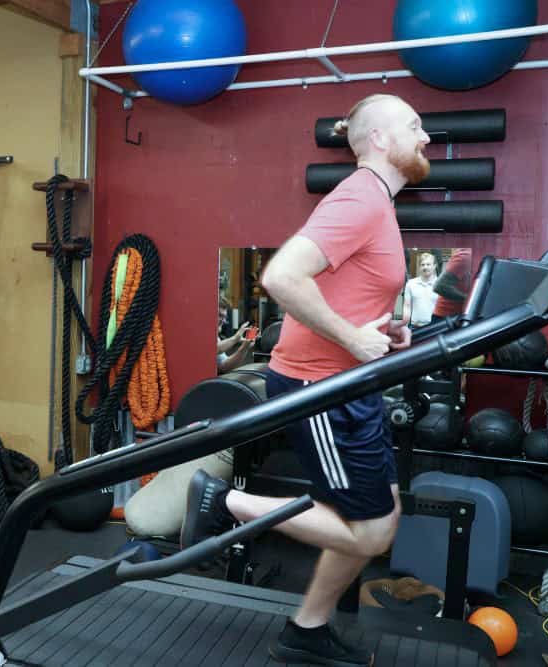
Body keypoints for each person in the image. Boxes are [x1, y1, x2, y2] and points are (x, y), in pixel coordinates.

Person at [181, 93, 430, 666]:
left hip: (350, 384)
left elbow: (344, 291)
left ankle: (307, 628)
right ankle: (227, 501)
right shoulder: (362, 197)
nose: (427, 138)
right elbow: (281, 276)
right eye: (414, 127)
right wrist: (350, 338)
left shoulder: (378, 203)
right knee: (371, 533)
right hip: (319, 387)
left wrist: (377, 334)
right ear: (380, 141)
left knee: (377, 517)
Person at [430, 248, 472, 323]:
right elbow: (439, 287)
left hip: (463, 315)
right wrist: (469, 299)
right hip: (445, 318)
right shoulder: (465, 256)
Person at [217, 295, 256, 372]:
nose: (223, 321)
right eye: (219, 315)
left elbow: (224, 366)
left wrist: (245, 346)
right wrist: (236, 338)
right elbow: (210, 350)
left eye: (224, 317)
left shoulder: (215, 337)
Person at [402, 251, 439, 328]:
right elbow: (407, 307)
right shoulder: (411, 284)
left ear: (434, 266)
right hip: (414, 327)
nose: (425, 267)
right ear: (419, 267)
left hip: (435, 328)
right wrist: (404, 327)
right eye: (423, 265)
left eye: (428, 264)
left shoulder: (441, 285)